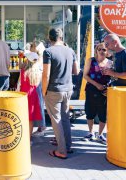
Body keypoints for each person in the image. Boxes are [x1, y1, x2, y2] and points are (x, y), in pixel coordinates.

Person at [42, 28, 79, 159]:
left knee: (56, 120)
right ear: (61, 37)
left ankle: (61, 151)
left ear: (49, 37)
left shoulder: (48, 52)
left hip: (54, 90)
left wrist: (43, 91)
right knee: (65, 118)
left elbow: (46, 75)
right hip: (68, 89)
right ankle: (68, 146)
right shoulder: (70, 51)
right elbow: (76, 71)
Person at [82, 43, 113, 144]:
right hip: (91, 88)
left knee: (103, 113)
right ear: (96, 51)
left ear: (107, 51)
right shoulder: (91, 61)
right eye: (99, 49)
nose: (101, 51)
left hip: (105, 91)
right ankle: (90, 133)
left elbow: (114, 77)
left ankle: (100, 134)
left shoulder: (111, 63)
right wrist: (96, 85)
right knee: (89, 112)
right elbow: (85, 75)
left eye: (104, 49)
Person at [18, 51, 42, 145]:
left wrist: (20, 57)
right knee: (30, 119)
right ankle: (28, 139)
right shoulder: (37, 71)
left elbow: (20, 66)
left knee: (23, 118)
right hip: (33, 96)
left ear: (27, 61)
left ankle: (23, 137)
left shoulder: (24, 71)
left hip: (24, 96)